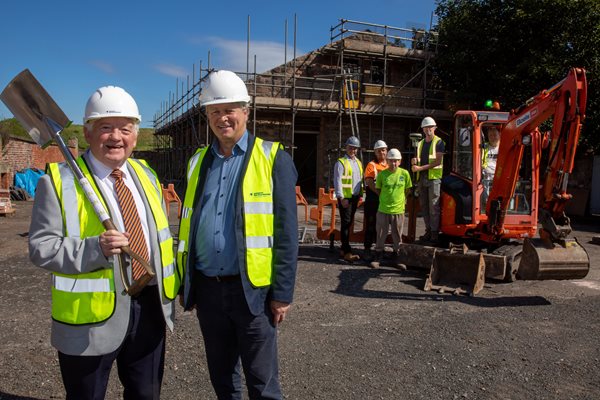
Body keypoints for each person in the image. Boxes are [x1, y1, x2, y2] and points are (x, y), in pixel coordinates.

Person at [29, 86, 178, 399]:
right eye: (105, 127)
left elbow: (160, 238)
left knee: (146, 394)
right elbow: (42, 247)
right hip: (89, 321)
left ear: (136, 135)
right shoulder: (57, 181)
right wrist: (95, 249)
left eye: (125, 129)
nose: (116, 138)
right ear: (87, 132)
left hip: (149, 307)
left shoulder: (146, 174)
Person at [177, 70, 298, 399]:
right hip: (208, 291)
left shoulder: (274, 159)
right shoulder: (197, 162)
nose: (222, 118)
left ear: (246, 111)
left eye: (230, 109)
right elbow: (188, 225)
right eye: (215, 111)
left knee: (263, 383)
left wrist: (282, 292)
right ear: (207, 116)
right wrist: (185, 282)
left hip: (253, 293)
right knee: (223, 380)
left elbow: (287, 233)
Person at [369, 148, 412, 269]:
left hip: (398, 210)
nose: (393, 163)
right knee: (380, 234)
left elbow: (407, 189)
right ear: (387, 161)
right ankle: (378, 256)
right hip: (383, 209)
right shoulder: (382, 174)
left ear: (400, 161)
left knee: (397, 235)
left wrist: (401, 200)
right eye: (391, 161)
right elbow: (378, 189)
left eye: (396, 161)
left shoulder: (404, 174)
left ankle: (398, 257)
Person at [411, 116, 445, 244]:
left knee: (434, 207)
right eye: (425, 127)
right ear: (423, 129)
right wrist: (414, 162)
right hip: (422, 178)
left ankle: (435, 233)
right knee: (424, 206)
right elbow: (419, 159)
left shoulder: (439, 142)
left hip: (434, 179)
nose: (428, 129)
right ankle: (428, 230)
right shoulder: (420, 144)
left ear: (434, 128)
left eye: (430, 127)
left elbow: (437, 162)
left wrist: (420, 168)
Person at [334, 135, 364, 262]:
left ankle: (343, 248)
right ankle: (346, 252)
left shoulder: (358, 162)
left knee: (349, 222)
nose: (353, 150)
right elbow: (337, 181)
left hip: (355, 197)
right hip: (346, 198)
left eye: (355, 148)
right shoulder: (341, 162)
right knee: (346, 224)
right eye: (351, 148)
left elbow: (359, 180)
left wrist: (361, 195)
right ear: (346, 148)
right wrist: (341, 197)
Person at [363, 140, 388, 262]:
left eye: (383, 150)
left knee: (382, 227)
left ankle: (379, 250)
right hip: (373, 200)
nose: (381, 152)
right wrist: (379, 193)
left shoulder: (389, 165)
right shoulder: (371, 165)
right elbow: (369, 182)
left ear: (386, 151)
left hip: (384, 201)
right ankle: (367, 249)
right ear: (375, 152)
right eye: (379, 151)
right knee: (371, 225)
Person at [481, 125, 501, 209]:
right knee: (486, 199)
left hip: (499, 177)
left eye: (495, 135)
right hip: (486, 177)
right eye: (490, 136)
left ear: (499, 135)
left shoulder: (503, 147)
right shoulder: (484, 147)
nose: (493, 138)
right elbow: (480, 160)